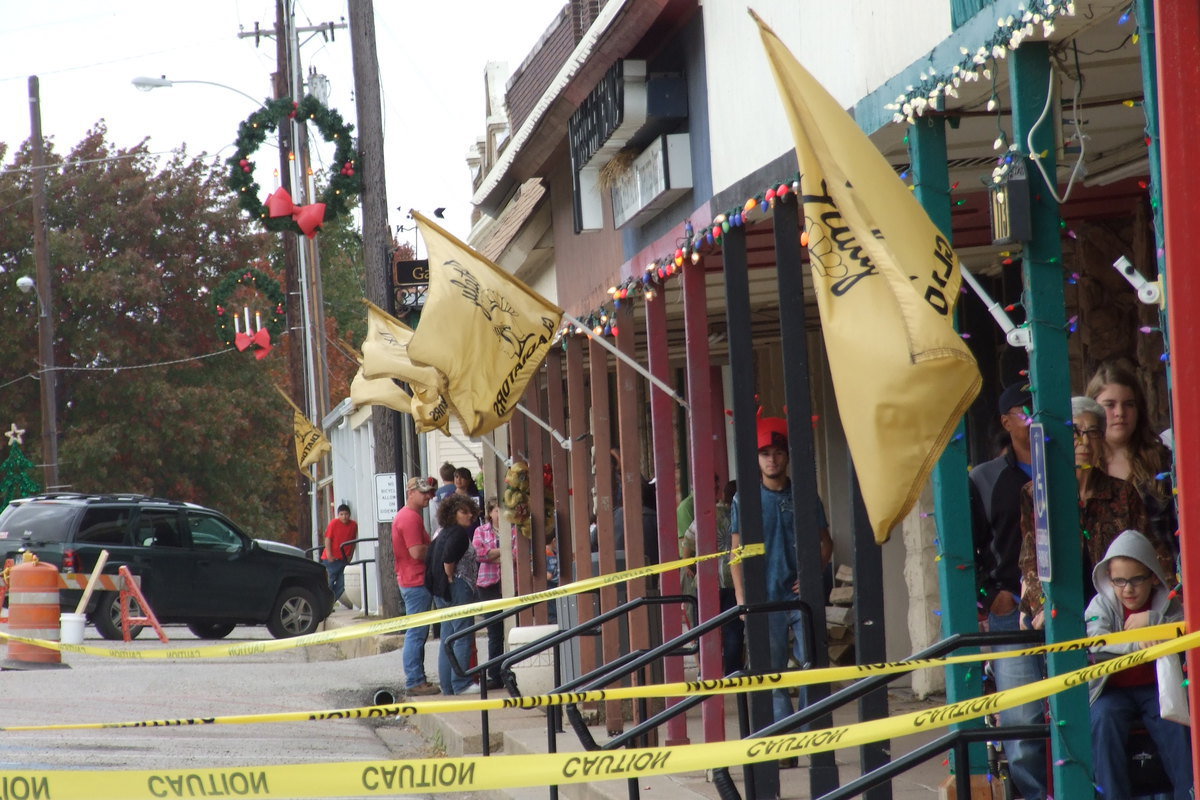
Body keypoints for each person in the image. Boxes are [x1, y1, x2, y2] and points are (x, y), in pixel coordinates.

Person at [1019, 397, 1162, 628]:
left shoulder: (1123, 492)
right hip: (1058, 612)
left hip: (1114, 611)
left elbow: (1147, 549)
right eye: (1074, 432)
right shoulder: (1037, 493)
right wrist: (1041, 606)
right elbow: (1031, 560)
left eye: (1093, 432)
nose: (1084, 441)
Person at [968, 382, 1047, 800]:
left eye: (1038, 407)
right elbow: (968, 547)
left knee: (1081, 705)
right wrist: (990, 595)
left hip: (1068, 605)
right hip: (1010, 609)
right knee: (1023, 719)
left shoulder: (1066, 465)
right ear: (1004, 421)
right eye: (1023, 409)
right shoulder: (984, 477)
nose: (1032, 415)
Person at [730, 416, 833, 723]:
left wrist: (814, 574)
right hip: (764, 599)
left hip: (802, 597)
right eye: (765, 454)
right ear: (756, 459)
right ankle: (784, 738)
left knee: (810, 667)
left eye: (777, 452)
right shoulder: (744, 499)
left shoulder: (804, 495)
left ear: (787, 455)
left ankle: (806, 734)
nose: (771, 459)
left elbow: (825, 542)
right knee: (772, 673)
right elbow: (736, 552)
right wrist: (740, 597)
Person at [1085, 529, 1192, 800]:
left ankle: (1188, 793)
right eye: (1119, 581)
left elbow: (1184, 632)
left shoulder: (1169, 606)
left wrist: (1154, 621)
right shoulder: (1100, 605)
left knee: (1177, 724)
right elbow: (1097, 642)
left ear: (1153, 576)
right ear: (1108, 579)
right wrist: (1139, 643)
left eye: (1136, 580)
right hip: (1111, 691)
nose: (1128, 589)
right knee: (1103, 721)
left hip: (1155, 689)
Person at [1087, 362, 1177, 564]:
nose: (1120, 412)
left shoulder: (1161, 461)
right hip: (1102, 585)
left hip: (1164, 579)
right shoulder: (1084, 468)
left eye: (1129, 404)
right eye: (1109, 405)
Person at [426, 494, 481, 695]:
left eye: (470, 512)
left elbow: (431, 557)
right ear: (452, 513)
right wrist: (450, 576)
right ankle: (461, 683)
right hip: (458, 587)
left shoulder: (441, 533)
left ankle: (448, 686)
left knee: (448, 637)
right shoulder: (458, 533)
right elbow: (448, 558)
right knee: (462, 635)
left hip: (441, 592)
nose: (469, 516)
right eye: (463, 512)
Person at [393, 476, 440, 695]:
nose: (428, 497)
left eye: (430, 492)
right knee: (417, 633)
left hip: (410, 578)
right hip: (415, 580)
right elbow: (417, 552)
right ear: (410, 493)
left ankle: (418, 678)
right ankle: (414, 681)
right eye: (423, 493)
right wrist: (439, 550)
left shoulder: (407, 516)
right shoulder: (410, 518)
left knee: (418, 632)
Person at [472, 498, 506, 690]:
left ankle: (511, 669)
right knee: (494, 631)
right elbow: (480, 554)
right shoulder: (480, 531)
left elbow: (518, 552)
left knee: (512, 627)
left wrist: (496, 553)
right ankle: (495, 674)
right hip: (488, 585)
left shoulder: (513, 529)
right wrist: (504, 551)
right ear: (490, 513)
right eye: (496, 511)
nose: (499, 515)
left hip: (509, 583)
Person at [321, 503, 358, 610]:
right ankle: (323, 604)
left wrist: (350, 555)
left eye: (346, 514)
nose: (344, 517)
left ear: (349, 514)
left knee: (342, 583)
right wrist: (329, 554)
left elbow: (353, 541)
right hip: (331, 559)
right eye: (341, 514)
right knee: (330, 581)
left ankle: (330, 603)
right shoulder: (334, 523)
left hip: (344, 559)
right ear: (338, 515)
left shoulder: (353, 525)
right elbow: (328, 539)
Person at [430, 462, 457, 529]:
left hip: (443, 525)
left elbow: (434, 514)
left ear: (442, 476)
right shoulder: (458, 489)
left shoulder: (438, 492)